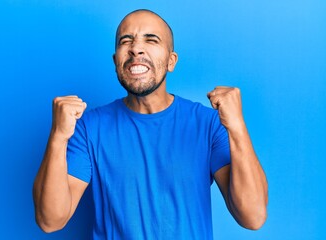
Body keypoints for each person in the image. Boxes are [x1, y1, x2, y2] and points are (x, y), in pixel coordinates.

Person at [33, 9, 268, 239]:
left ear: (171, 61)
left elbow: (253, 216)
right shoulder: (87, 128)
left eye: (151, 39)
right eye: (126, 41)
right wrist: (58, 136)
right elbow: (50, 220)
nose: (136, 48)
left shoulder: (208, 124)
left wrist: (237, 126)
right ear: (116, 61)